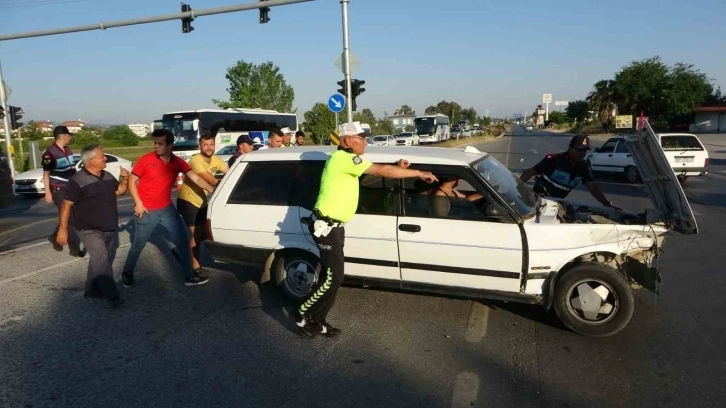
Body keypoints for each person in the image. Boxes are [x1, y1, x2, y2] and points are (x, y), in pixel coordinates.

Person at [294, 122, 438, 338]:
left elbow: (370, 173)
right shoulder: (342, 158)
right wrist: (418, 172)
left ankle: (318, 320)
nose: (366, 143)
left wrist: (399, 166)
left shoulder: (348, 162)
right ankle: (304, 314)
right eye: (362, 139)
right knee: (334, 277)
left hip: (335, 227)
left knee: (331, 276)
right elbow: (382, 171)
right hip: (326, 228)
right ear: (347, 140)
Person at [121, 129, 216, 288]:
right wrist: (138, 203)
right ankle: (127, 272)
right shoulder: (146, 160)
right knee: (138, 245)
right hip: (146, 210)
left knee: (182, 242)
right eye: (155, 143)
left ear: (170, 145)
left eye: (160, 143)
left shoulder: (177, 162)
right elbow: (132, 181)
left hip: (167, 209)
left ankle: (189, 276)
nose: (156, 146)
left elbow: (196, 178)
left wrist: (214, 191)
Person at [57, 144, 129, 308]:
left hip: (108, 225)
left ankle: (91, 290)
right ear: (91, 160)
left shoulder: (107, 175)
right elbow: (66, 206)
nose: (105, 159)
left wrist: (125, 179)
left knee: (100, 259)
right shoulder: (77, 181)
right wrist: (63, 230)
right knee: (102, 261)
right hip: (87, 228)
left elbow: (119, 192)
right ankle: (113, 297)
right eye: (102, 156)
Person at [177, 133, 229, 277]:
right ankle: (195, 267)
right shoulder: (196, 160)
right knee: (197, 234)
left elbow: (229, 173)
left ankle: (183, 252)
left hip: (202, 201)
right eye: (205, 144)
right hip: (188, 201)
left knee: (204, 233)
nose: (208, 147)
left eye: (211, 144)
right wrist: (228, 186)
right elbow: (210, 180)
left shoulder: (216, 159)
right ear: (200, 146)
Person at [519, 135, 617, 208]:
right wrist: (517, 189)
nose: (582, 153)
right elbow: (531, 171)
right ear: (570, 148)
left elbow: (592, 187)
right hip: (538, 201)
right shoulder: (554, 160)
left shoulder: (584, 167)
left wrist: (606, 203)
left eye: (585, 150)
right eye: (579, 150)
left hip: (556, 204)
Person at [42, 125, 84, 257]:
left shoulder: (68, 150)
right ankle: (74, 247)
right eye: (69, 135)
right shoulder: (50, 153)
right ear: (63, 136)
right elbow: (46, 174)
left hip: (70, 187)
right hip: (58, 189)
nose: (70, 137)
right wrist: (48, 192)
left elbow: (71, 170)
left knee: (70, 216)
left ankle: (54, 237)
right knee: (69, 217)